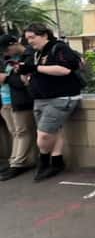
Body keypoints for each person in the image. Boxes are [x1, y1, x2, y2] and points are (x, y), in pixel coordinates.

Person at [18, 24, 82, 182]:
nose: (29, 41)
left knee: (44, 134)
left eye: (32, 37)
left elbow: (65, 69)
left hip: (61, 97)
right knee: (54, 131)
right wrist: (25, 72)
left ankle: (44, 162)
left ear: (45, 35)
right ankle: (57, 161)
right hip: (41, 97)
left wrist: (35, 68)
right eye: (27, 38)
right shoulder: (35, 53)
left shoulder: (58, 48)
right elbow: (32, 72)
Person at [0, 35, 36, 181]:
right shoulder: (8, 59)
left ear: (14, 44)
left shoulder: (28, 56)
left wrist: (6, 78)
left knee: (22, 131)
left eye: (6, 49)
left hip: (20, 100)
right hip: (7, 100)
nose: (5, 53)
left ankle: (18, 163)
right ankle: (14, 161)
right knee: (15, 132)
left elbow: (24, 81)